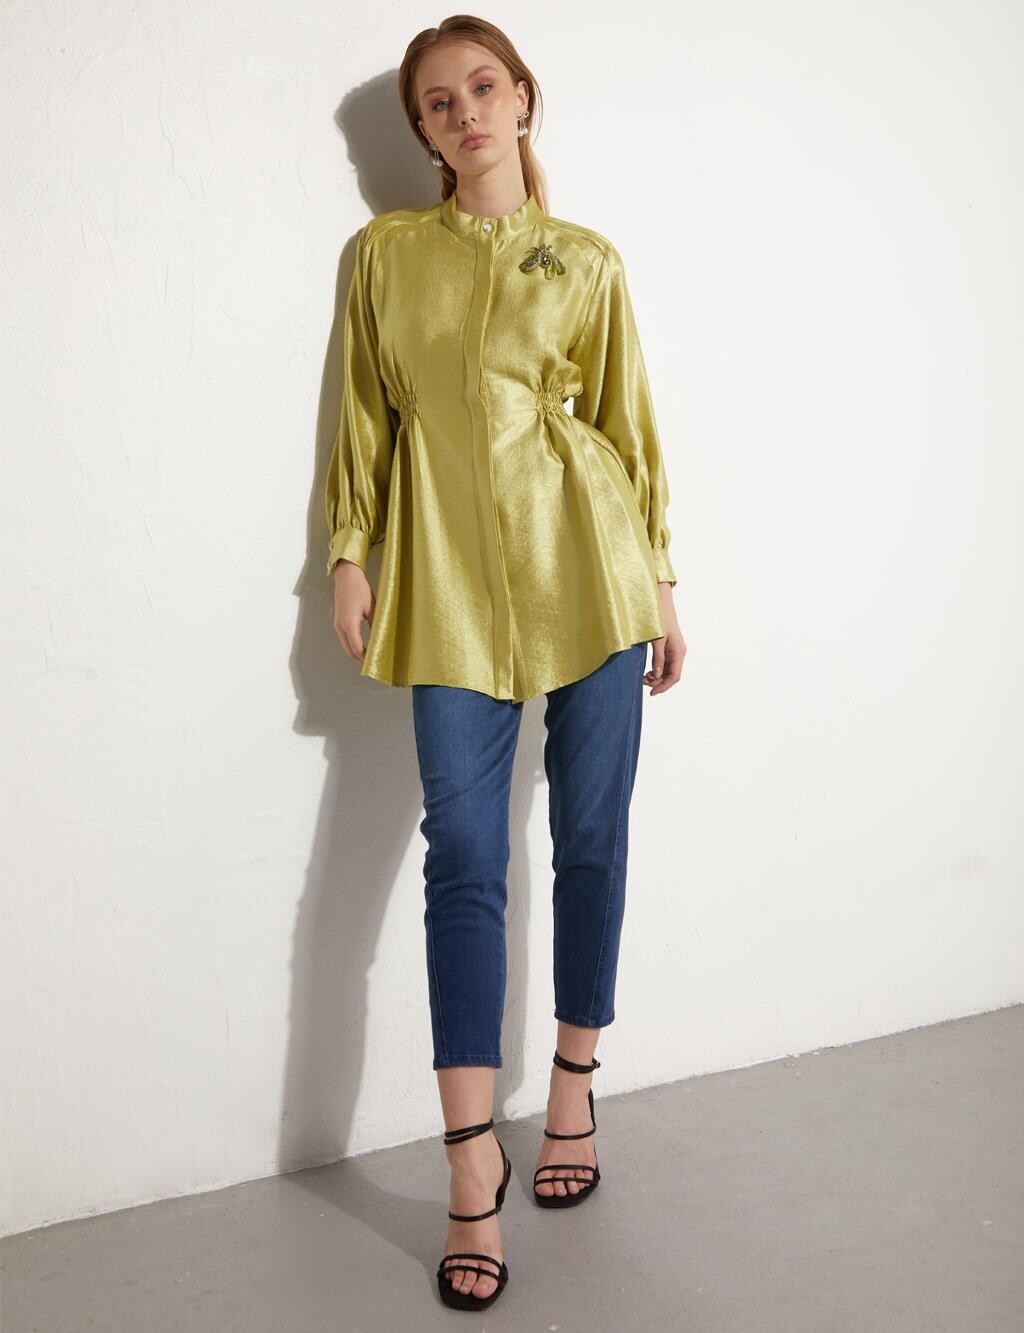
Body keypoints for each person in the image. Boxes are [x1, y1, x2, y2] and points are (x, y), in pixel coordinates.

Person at [325, 14, 687, 1312]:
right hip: (448, 591)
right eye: (439, 102)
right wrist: (351, 551)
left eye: (484, 87)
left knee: (591, 836)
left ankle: (575, 1086)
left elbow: (627, 427)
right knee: (465, 859)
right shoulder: (384, 255)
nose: (465, 112)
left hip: (592, 571)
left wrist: (660, 581)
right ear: (422, 132)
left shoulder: (585, 259)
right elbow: (363, 411)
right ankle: (471, 1160)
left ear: (523, 98)